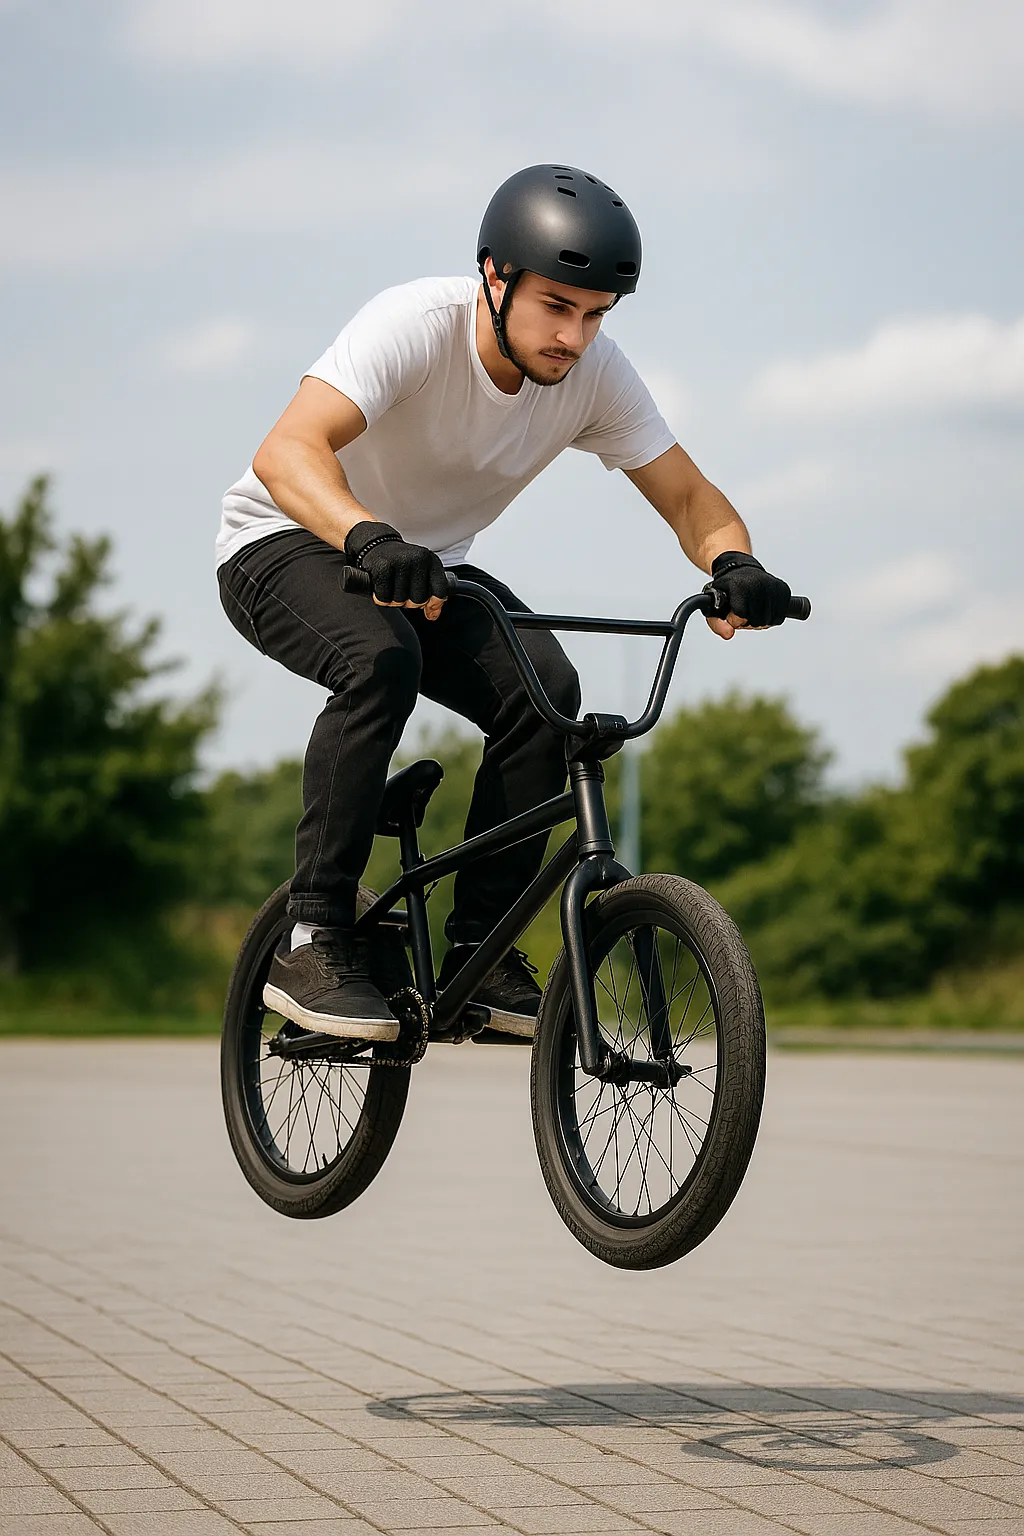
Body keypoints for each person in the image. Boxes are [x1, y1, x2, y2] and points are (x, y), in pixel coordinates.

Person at [217, 162, 792, 1043]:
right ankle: (313, 933)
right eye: (557, 307)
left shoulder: (596, 375)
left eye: (596, 316)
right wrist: (370, 539)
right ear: (495, 277)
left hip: (426, 571)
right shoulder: (415, 325)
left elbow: (688, 498)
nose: (575, 337)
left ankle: (482, 950)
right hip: (283, 540)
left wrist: (734, 559)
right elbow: (287, 452)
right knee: (381, 659)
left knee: (545, 696)